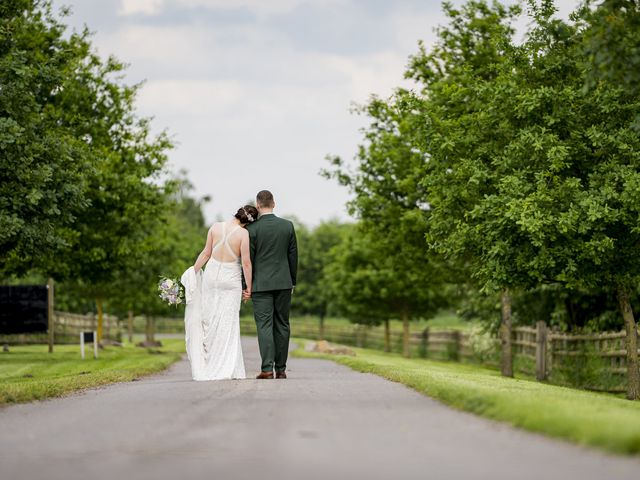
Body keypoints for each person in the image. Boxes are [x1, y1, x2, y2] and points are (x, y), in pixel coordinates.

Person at [180, 204, 259, 381]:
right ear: (249, 223)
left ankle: (209, 364)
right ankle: (226, 366)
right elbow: (246, 263)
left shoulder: (215, 227)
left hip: (211, 278)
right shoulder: (243, 234)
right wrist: (249, 288)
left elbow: (206, 253)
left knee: (210, 320)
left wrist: (193, 271)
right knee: (228, 324)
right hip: (230, 281)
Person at [244, 190, 298, 379]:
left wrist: (246, 285)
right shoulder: (288, 226)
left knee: (264, 325)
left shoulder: (251, 230)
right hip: (284, 283)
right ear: (274, 204)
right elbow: (293, 257)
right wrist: (292, 282)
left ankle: (267, 368)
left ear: (258, 205)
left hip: (260, 285)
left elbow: (247, 260)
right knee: (282, 324)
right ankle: (281, 369)